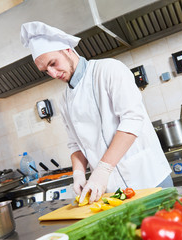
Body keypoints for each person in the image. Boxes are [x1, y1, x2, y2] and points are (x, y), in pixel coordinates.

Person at [20, 21, 173, 204]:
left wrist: (103, 169)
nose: (53, 74)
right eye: (46, 71)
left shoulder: (108, 70)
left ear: (67, 50)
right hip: (110, 192)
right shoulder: (65, 99)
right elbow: (74, 145)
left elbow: (132, 119)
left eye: (53, 63)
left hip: (147, 179)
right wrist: (78, 173)